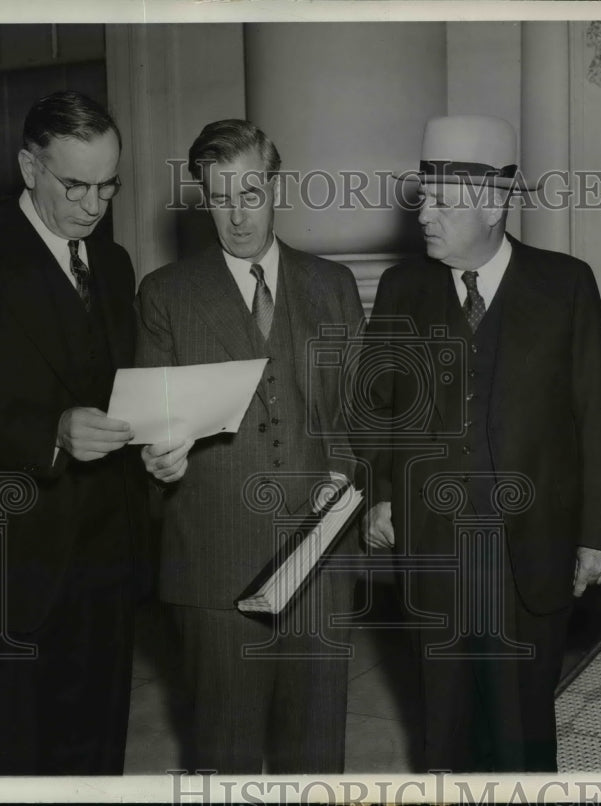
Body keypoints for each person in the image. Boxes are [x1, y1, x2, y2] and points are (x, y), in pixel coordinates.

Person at [359, 115, 601, 772]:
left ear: (495, 204)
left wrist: (596, 534)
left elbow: (599, 416)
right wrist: (382, 493)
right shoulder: (401, 289)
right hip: (432, 551)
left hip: (530, 553)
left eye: (444, 203)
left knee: (521, 734)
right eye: (424, 198)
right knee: (443, 732)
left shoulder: (565, 285)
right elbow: (375, 410)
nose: (424, 216)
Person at [0, 91, 151, 774]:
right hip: (5, 560)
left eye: (108, 186)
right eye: (75, 185)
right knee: (2, 757)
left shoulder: (115, 265)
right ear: (28, 167)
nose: (93, 205)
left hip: (105, 558)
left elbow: (119, 388)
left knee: (96, 753)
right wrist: (52, 431)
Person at [134, 119, 365, 773]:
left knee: (315, 759)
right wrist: (158, 459)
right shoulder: (166, 295)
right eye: (220, 197)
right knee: (225, 757)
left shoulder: (333, 285)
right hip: (216, 564)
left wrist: (341, 475)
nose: (237, 215)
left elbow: (358, 416)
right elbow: (153, 425)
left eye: (251, 194)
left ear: (276, 188)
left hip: (319, 560)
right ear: (204, 199)